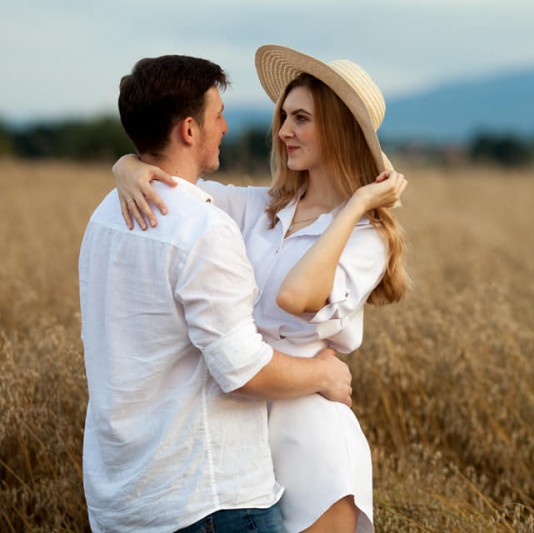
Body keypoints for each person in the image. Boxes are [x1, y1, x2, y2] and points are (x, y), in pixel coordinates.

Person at [80, 54, 400, 532]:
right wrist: (127, 164)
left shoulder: (367, 237)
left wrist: (354, 207)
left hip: (307, 428)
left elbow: (297, 297)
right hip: (237, 431)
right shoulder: (261, 208)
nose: (283, 131)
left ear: (338, 130)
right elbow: (177, 184)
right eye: (283, 117)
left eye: (301, 118)